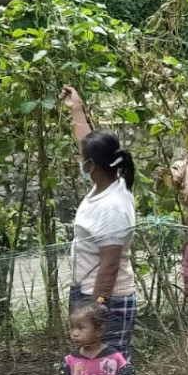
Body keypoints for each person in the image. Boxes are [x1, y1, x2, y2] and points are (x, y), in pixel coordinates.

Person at [62, 86, 138, 357]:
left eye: (84, 160)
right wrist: (77, 109)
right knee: (92, 368)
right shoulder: (106, 185)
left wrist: (96, 309)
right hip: (88, 293)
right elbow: (86, 143)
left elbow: (110, 265)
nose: (80, 160)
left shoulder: (113, 205)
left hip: (107, 299)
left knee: (110, 369)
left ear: (91, 165)